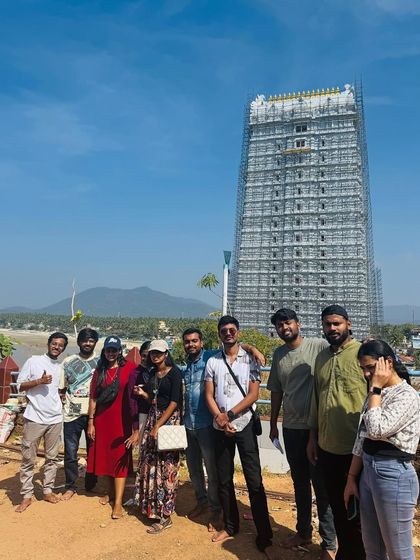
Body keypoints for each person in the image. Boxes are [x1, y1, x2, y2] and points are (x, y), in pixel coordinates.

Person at [267, 308, 336, 559]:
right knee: (299, 483)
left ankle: (329, 541)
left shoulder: (318, 346)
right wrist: (273, 422)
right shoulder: (279, 355)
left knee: (321, 484)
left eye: (288, 322)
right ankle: (303, 531)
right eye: (279, 325)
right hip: (290, 428)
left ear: (298, 324)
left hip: (315, 429)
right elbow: (275, 390)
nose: (284, 328)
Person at [182, 327, 265, 531]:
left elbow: (233, 345)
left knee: (214, 471)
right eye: (187, 342)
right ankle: (202, 502)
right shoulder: (186, 367)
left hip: (209, 424)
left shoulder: (211, 357)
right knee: (194, 470)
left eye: (195, 341)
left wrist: (252, 348)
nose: (191, 344)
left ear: (202, 343)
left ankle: (216, 511)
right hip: (189, 423)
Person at [344, 340, 420, 560]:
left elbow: (377, 430)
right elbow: (362, 437)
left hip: (394, 474)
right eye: (364, 369)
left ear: (388, 362)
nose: (367, 374)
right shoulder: (376, 394)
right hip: (369, 470)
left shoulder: (406, 396)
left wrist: (375, 388)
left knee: (399, 551)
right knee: (373, 547)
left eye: (370, 367)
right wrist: (351, 478)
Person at [205, 315, 273, 554]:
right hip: (220, 427)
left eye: (232, 329)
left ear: (238, 332)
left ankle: (264, 533)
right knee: (224, 480)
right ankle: (231, 526)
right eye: (224, 330)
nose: (228, 333)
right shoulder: (213, 361)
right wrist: (220, 418)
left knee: (254, 480)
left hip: (243, 425)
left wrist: (229, 415)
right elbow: (209, 395)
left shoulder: (250, 359)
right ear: (219, 334)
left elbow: (254, 395)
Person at [307, 305, 366, 560]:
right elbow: (316, 401)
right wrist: (312, 437)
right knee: (336, 507)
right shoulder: (321, 358)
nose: (331, 329)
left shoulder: (363, 355)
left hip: (356, 450)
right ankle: (344, 552)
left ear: (348, 324)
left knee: (358, 511)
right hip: (326, 446)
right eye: (327, 324)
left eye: (336, 324)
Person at [15, 332, 68, 513]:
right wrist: (40, 381)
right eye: (54, 343)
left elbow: (60, 389)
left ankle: (47, 490)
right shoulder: (33, 361)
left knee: (52, 458)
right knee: (28, 458)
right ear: (48, 344)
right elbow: (19, 385)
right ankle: (27, 496)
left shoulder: (61, 366)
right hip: (35, 417)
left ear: (63, 348)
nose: (56, 347)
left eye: (61, 345)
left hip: (55, 418)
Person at [133, 339, 183, 534]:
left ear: (166, 353)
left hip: (168, 420)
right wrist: (142, 394)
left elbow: (174, 402)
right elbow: (154, 398)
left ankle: (166, 515)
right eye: (153, 353)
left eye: (159, 353)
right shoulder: (154, 373)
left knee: (167, 468)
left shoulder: (175, 373)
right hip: (155, 417)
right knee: (151, 464)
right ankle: (153, 508)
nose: (155, 356)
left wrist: (158, 426)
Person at [86, 335, 138, 519]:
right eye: (108, 350)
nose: (111, 353)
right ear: (104, 351)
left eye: (114, 350)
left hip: (121, 421)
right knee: (106, 458)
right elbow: (93, 397)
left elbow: (137, 391)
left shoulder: (129, 368)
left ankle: (118, 503)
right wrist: (91, 422)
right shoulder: (99, 371)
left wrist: (136, 424)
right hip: (102, 420)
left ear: (119, 351)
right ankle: (111, 493)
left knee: (120, 458)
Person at [59, 327, 99, 500]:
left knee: (94, 451)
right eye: (84, 340)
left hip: (95, 415)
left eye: (90, 340)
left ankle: (91, 483)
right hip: (71, 414)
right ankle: (70, 486)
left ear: (95, 342)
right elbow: (61, 388)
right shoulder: (68, 362)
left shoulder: (101, 362)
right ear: (79, 342)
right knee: (70, 452)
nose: (87, 343)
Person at [127, 340, 152, 447]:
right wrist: (136, 428)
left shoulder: (158, 372)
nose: (146, 359)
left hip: (160, 415)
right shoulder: (135, 374)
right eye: (143, 355)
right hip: (143, 415)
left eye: (149, 356)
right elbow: (132, 401)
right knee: (145, 449)